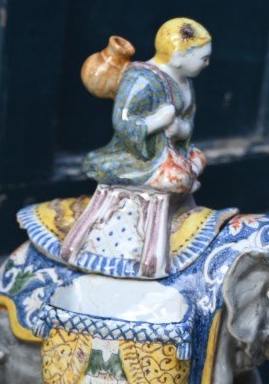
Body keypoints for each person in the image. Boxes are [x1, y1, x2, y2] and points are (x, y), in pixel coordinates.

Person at [62, 18, 212, 279]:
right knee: (180, 178)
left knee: (199, 157)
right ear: (179, 57)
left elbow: (188, 122)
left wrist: (180, 130)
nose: (207, 64)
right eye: (203, 58)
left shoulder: (186, 82)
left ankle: (180, 197)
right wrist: (157, 121)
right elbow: (123, 122)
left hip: (170, 152)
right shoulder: (143, 80)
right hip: (139, 156)